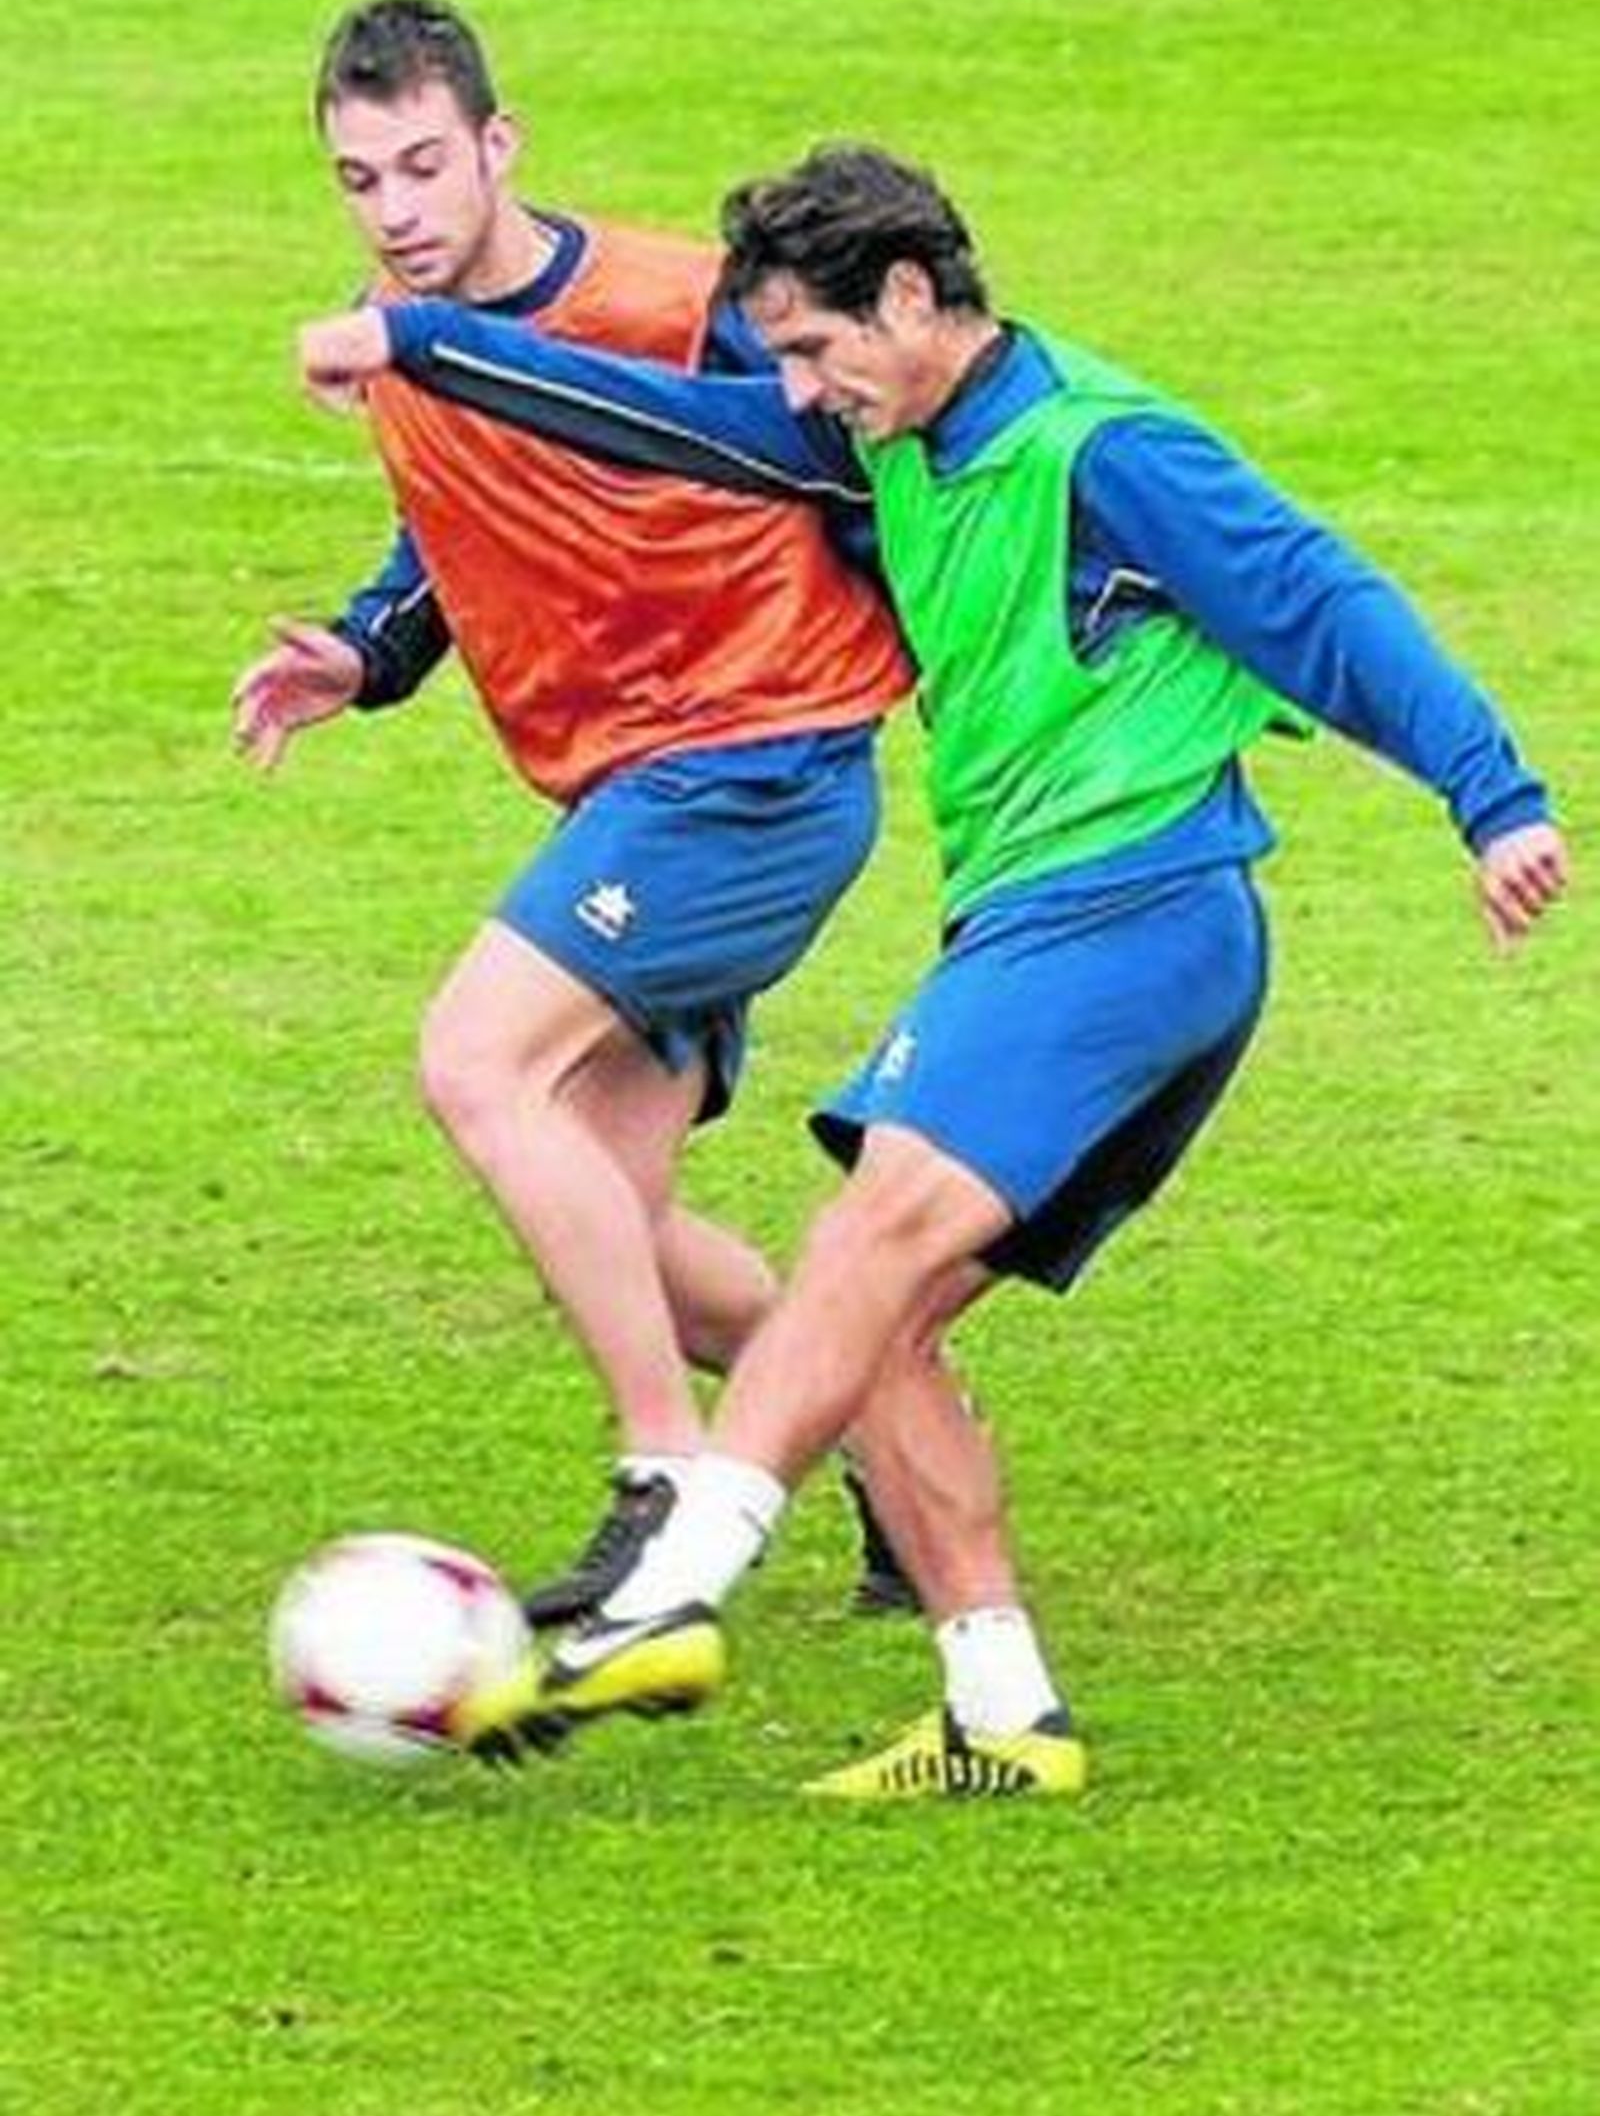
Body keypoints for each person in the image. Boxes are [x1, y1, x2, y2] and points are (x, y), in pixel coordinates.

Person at [298, 142, 1568, 1801]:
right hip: (1053, 932)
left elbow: (1322, 604)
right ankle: (999, 1714)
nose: (803, 391)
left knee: (865, 1240)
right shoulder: (882, 441)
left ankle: (675, 1581)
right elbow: (662, 424)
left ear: (911, 297)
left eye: (818, 350)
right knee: (879, 1320)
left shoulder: (1103, 452)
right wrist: (425, 346)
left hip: (1129, 910)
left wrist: (1495, 797)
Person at [237, 10, 919, 1624]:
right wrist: (366, 650)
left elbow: (839, 471)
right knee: (625, 1229)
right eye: (358, 179)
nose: (396, 208)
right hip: (636, 790)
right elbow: (446, 528)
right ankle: (900, 1432)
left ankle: (663, 1472)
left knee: (474, 1058)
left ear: (499, 144)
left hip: (759, 759)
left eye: (422, 164)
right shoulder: (391, 330)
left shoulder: (680, 303)